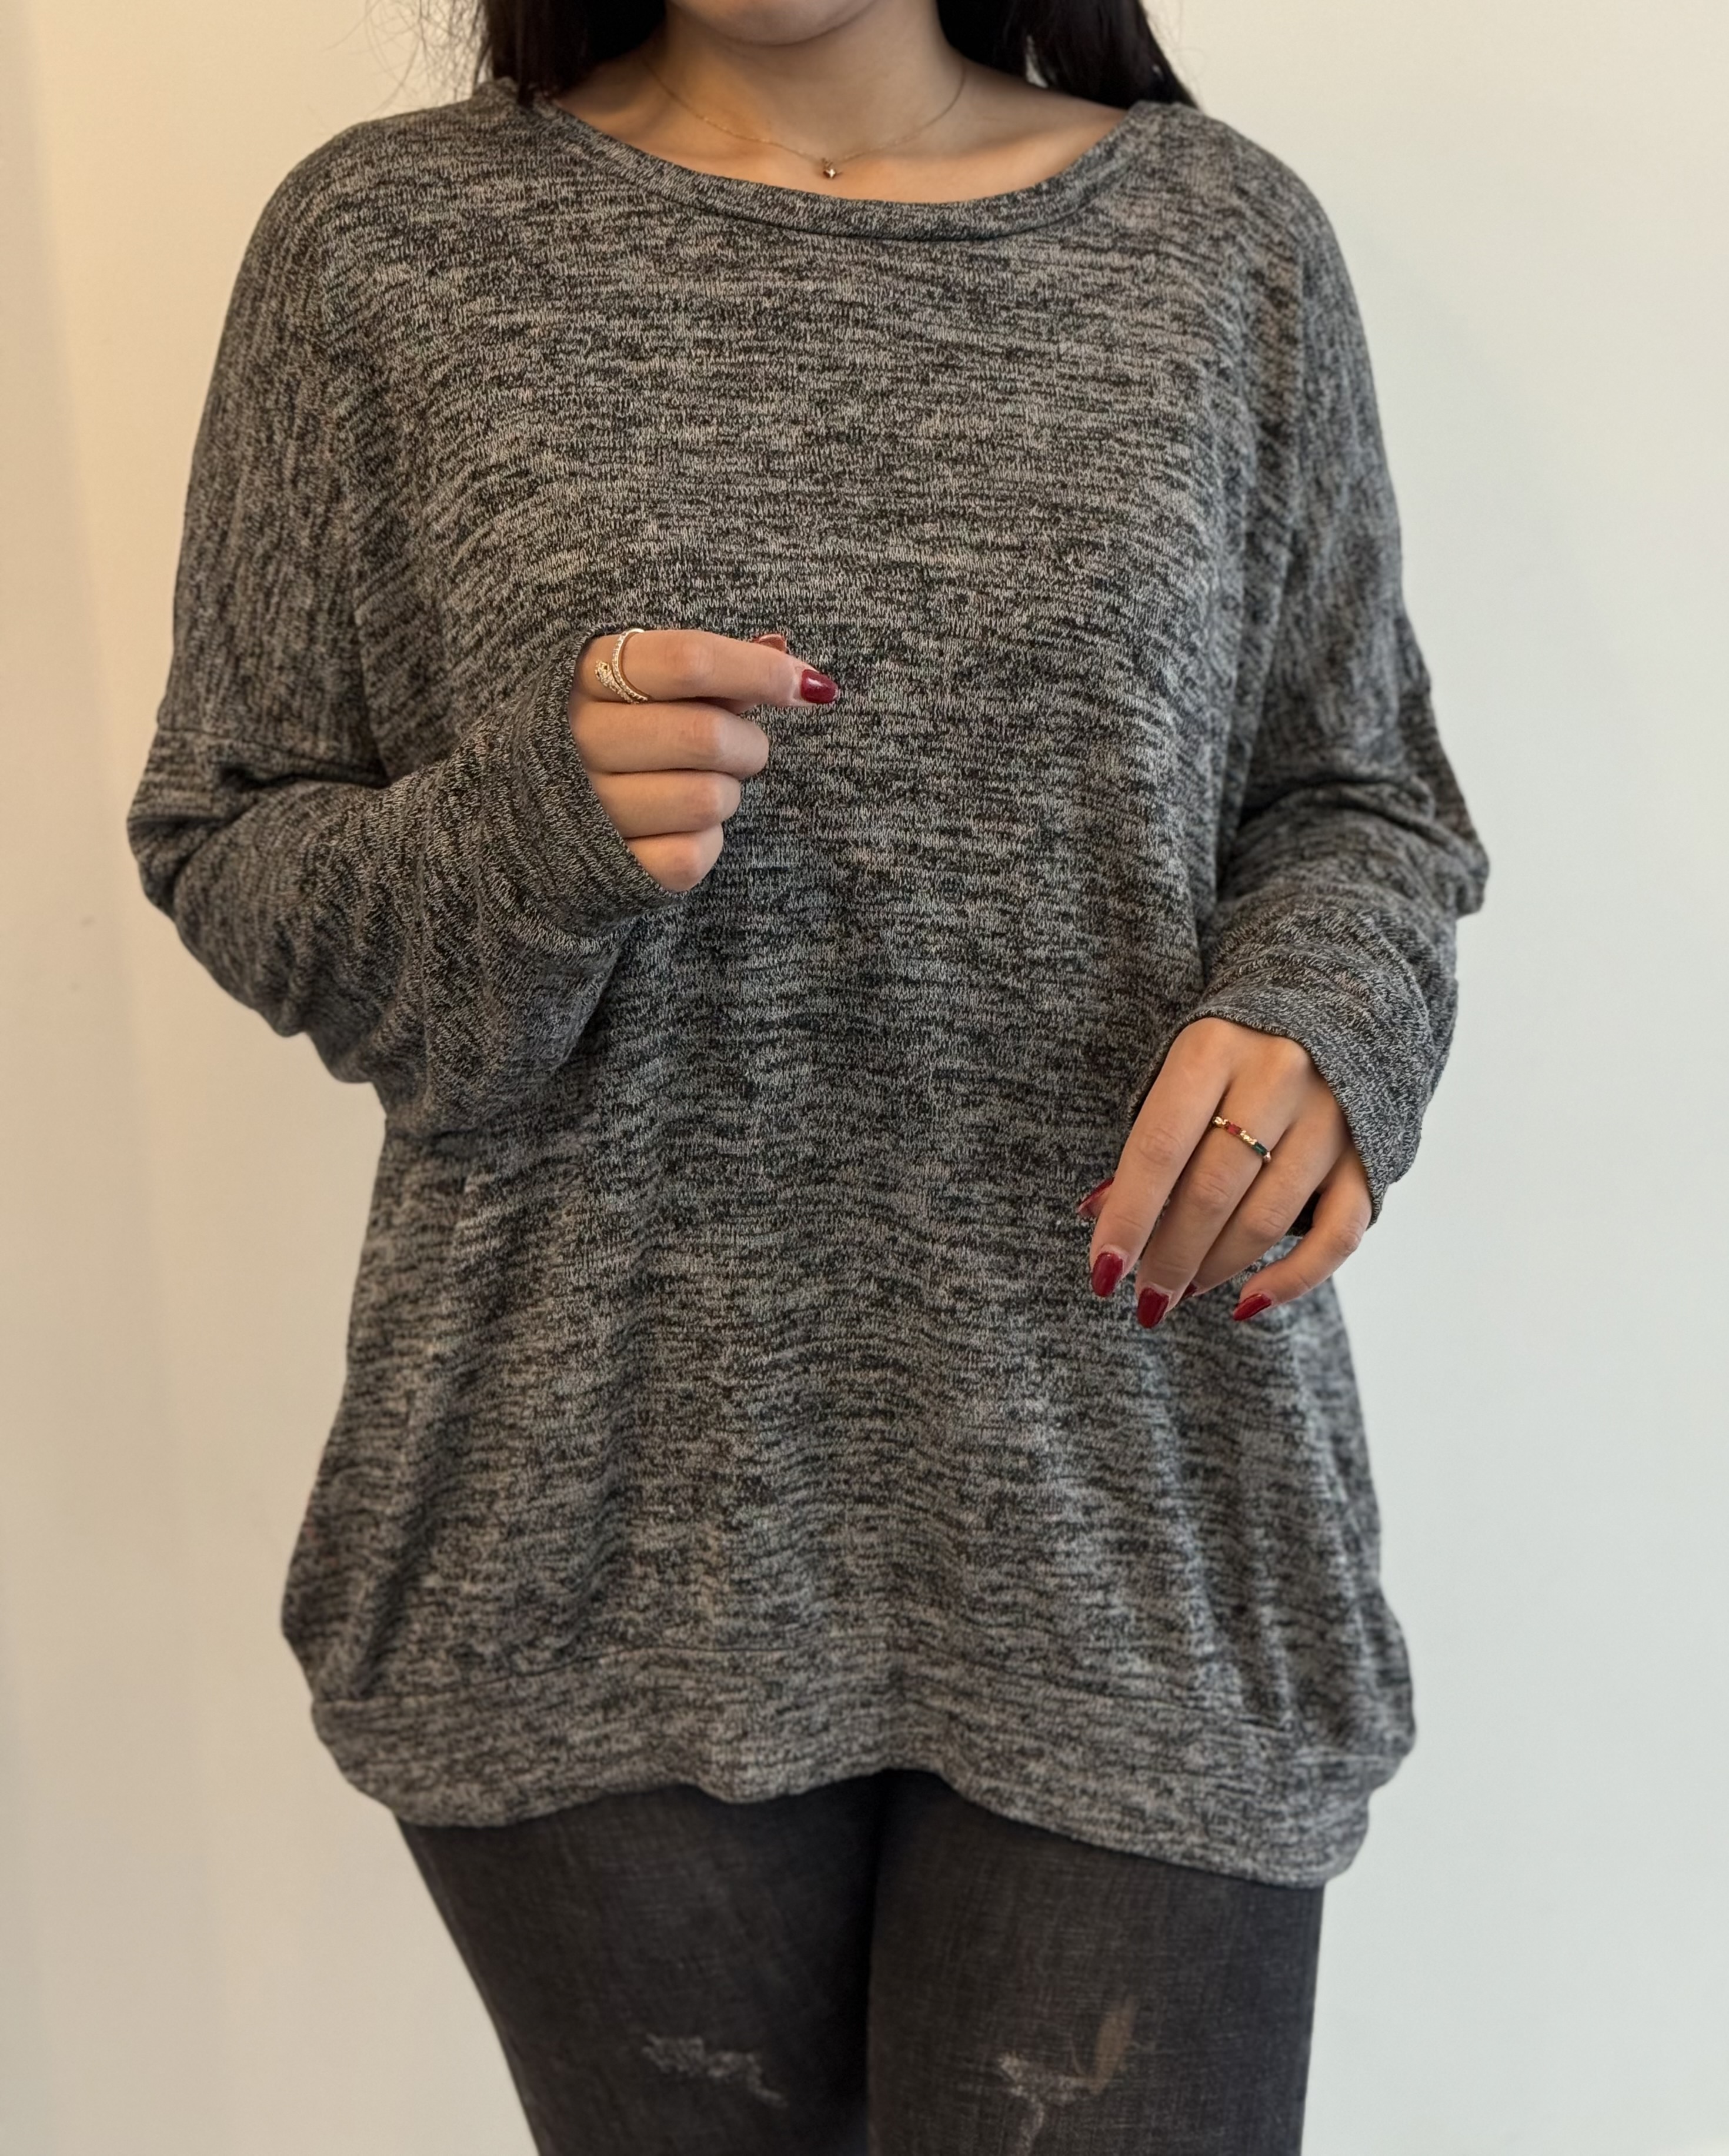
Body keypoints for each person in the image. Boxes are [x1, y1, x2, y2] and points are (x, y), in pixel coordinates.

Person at [126, 0, 1488, 2147]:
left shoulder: (1220, 245)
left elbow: (1358, 795)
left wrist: (1317, 1014)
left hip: (1126, 1504)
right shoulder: (385, 248)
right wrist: (531, 827)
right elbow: (229, 834)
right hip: (586, 1521)